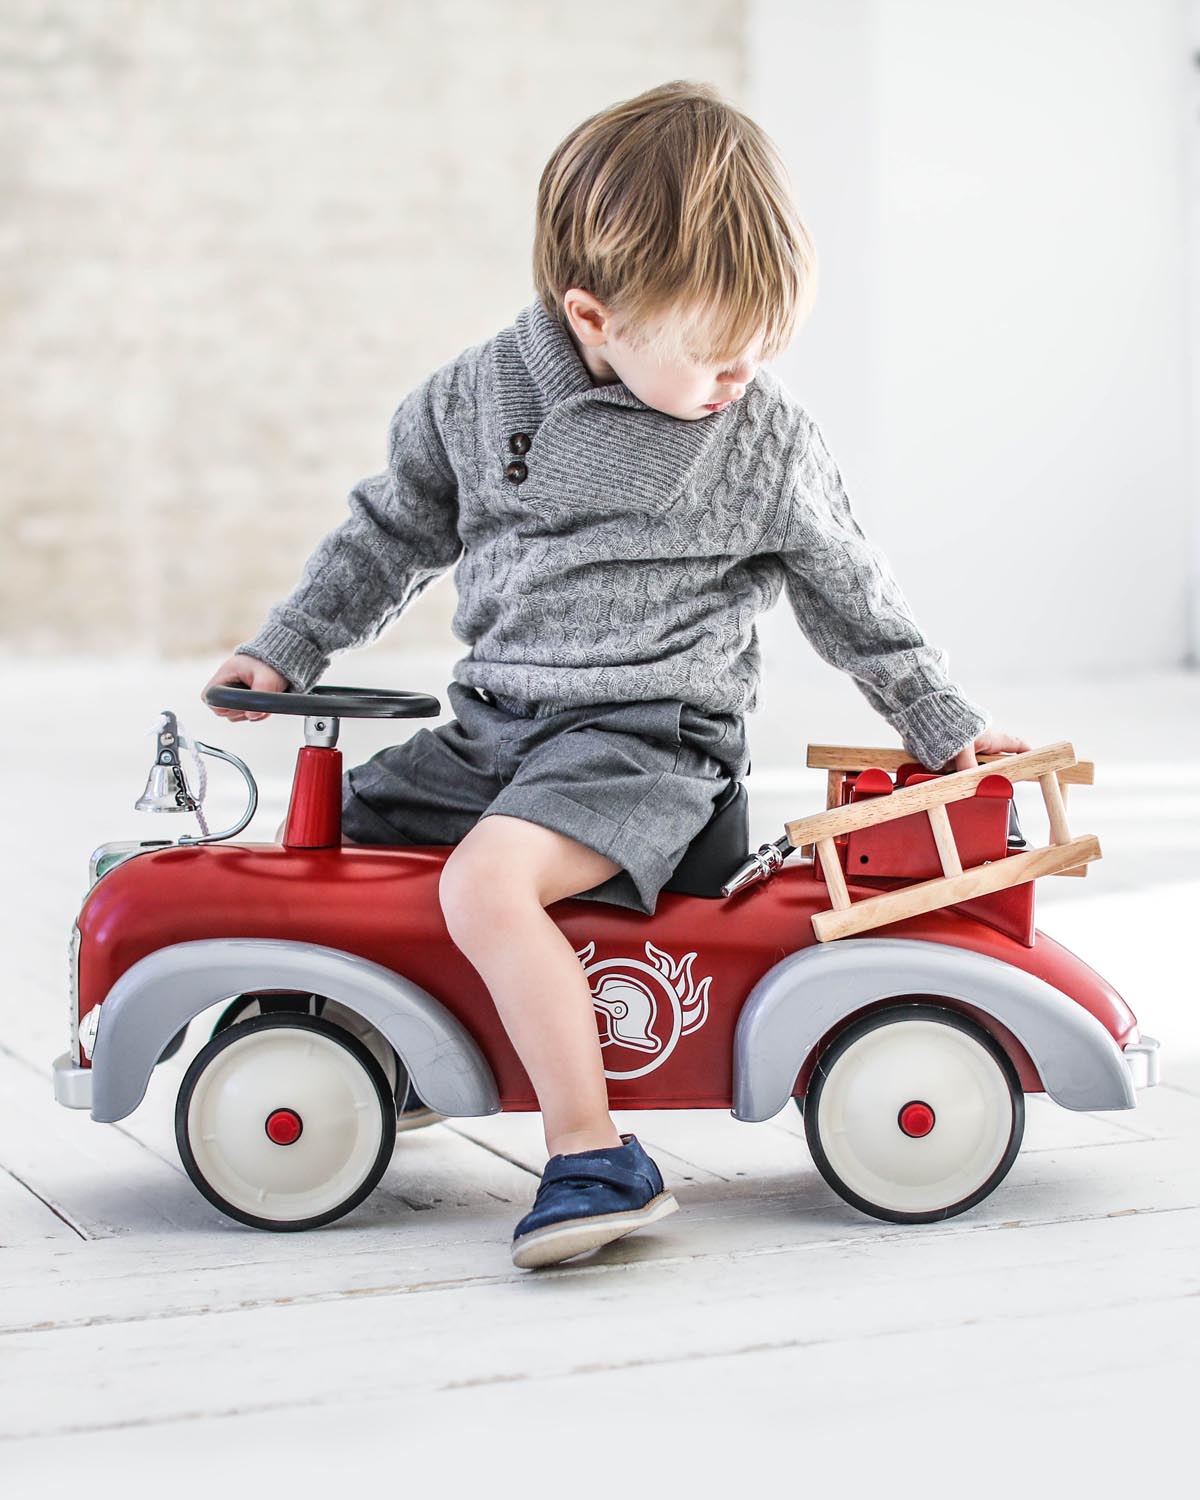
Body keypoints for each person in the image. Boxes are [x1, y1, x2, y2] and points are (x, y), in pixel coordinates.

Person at [203, 79, 1029, 1271]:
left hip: (648, 743)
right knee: (339, 850)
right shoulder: (474, 400)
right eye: (717, 359)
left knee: (489, 886)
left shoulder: (764, 439)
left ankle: (594, 1149)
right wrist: (288, 647)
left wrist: (942, 722)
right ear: (591, 317)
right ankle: (394, 1047)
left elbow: (852, 593)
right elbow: (388, 533)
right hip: (496, 727)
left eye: (762, 355)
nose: (741, 381)